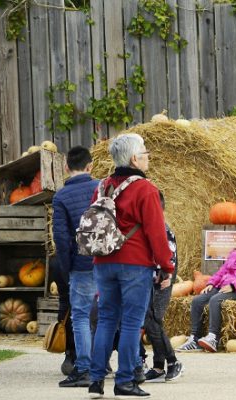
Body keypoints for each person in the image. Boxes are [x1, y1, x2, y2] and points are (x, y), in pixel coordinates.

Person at [88, 133, 174, 399]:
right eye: (145, 153)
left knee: (105, 321)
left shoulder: (101, 186)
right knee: (131, 324)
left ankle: (95, 381)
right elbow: (156, 233)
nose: (148, 157)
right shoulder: (146, 190)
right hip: (134, 264)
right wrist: (166, 266)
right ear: (135, 158)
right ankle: (125, 381)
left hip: (103, 262)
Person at [176, 216, 236, 353]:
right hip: (223, 285)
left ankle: (213, 337)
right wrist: (212, 283)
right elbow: (223, 270)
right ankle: (194, 338)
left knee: (215, 300)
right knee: (197, 300)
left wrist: (234, 286)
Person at [52, 146, 100, 387]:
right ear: (90, 166)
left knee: (80, 316)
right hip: (106, 260)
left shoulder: (60, 197)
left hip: (80, 263)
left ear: (66, 167)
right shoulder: (102, 188)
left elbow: (60, 237)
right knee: (108, 314)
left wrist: (66, 266)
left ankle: (84, 368)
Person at [142, 192, 183, 383]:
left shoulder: (164, 230)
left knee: (153, 321)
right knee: (150, 321)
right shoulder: (148, 228)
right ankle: (158, 366)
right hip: (146, 280)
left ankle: (173, 361)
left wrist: (167, 276)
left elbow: (170, 258)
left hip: (161, 282)